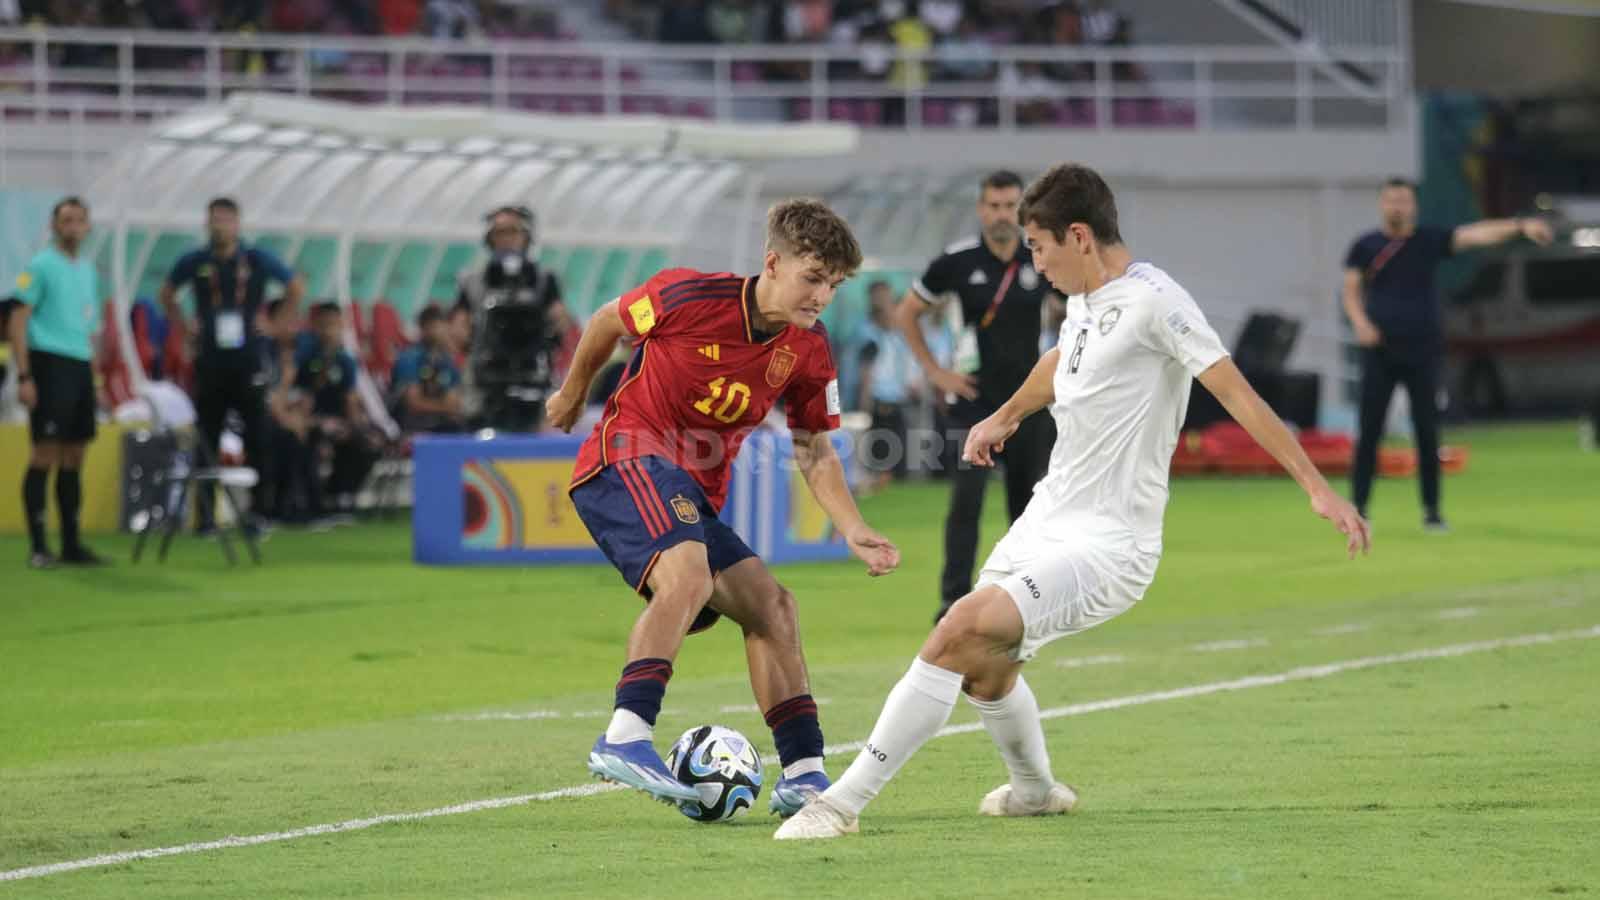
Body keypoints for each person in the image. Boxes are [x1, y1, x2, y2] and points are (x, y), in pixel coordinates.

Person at [775, 163, 1371, 841]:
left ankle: (840, 804)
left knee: (957, 631)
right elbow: (1062, 360)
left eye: (1038, 245)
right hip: (1046, 521)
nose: (1034, 261)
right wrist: (1003, 417)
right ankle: (1034, 792)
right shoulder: (1087, 300)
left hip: (1111, 545)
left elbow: (1237, 393)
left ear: (1079, 236)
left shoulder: (1158, 302)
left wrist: (1317, 487)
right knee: (987, 672)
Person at [545, 198, 900, 816]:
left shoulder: (809, 351)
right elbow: (607, 321)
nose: (822, 297)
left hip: (690, 493)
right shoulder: (688, 296)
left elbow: (814, 447)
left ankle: (805, 774)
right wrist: (574, 394)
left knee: (773, 605)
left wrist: (853, 527)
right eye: (813, 278)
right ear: (772, 263)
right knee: (687, 573)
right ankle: (626, 734)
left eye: (834, 285)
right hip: (623, 456)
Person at [893, 170, 1063, 623]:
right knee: (966, 501)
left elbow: (1074, 306)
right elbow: (906, 312)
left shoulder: (1041, 258)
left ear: (1023, 210)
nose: (1002, 214)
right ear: (980, 209)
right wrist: (935, 372)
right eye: (994, 206)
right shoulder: (957, 261)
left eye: (1010, 206)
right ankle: (952, 602)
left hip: (1029, 404)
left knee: (1027, 508)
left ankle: (1028, 599)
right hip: (973, 403)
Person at [1342, 178, 1553, 531]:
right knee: (1369, 432)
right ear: (1382, 204)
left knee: (1427, 431)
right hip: (1380, 351)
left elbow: (1476, 235)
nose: (1398, 206)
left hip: (1423, 349)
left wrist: (1520, 226)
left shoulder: (1429, 241)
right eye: (1392, 200)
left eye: (1404, 201)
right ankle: (1359, 509)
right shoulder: (1365, 246)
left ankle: (1432, 512)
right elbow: (1350, 291)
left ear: (1414, 206)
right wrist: (1360, 323)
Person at [161, 196, 304, 533]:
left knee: (258, 435)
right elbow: (166, 294)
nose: (220, 225)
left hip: (248, 361)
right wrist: (184, 326)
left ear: (238, 224)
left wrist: (275, 324)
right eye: (214, 219)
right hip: (210, 360)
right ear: (207, 223)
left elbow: (296, 286)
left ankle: (259, 512)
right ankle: (205, 517)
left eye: (226, 219)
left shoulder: (255, 259)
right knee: (207, 435)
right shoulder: (196, 261)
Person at [9, 196, 108, 568]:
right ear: (54, 226)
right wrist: (24, 375)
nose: (73, 227)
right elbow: (18, 320)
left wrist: (94, 376)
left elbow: (89, 325)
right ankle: (38, 547)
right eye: (66, 220)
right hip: (48, 365)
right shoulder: (38, 266)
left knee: (76, 454)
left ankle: (71, 544)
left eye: (79, 220)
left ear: (87, 227)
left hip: (80, 367)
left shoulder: (87, 270)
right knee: (45, 453)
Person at [456, 204, 567, 431]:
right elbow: (459, 325)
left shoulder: (543, 279)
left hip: (532, 373)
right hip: (486, 379)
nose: (507, 239)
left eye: (513, 232)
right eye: (500, 233)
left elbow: (560, 321)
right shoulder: (473, 280)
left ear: (526, 237)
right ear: (489, 238)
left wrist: (554, 326)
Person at [295, 302, 377, 514]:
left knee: (365, 444)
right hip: (312, 419)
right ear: (316, 326)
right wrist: (313, 422)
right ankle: (315, 502)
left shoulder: (346, 360)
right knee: (307, 442)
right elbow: (303, 398)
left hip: (339, 421)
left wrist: (355, 426)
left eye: (334, 325)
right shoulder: (306, 356)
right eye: (325, 325)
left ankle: (341, 494)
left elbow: (350, 399)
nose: (330, 331)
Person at [856, 279, 921, 491]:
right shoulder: (868, 333)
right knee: (881, 443)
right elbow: (866, 371)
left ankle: (889, 479)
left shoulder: (900, 336)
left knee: (897, 443)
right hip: (879, 397)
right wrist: (864, 400)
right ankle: (878, 480)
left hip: (899, 396)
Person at [390, 305, 465, 433]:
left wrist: (448, 407)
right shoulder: (410, 358)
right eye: (437, 327)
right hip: (410, 426)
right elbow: (414, 403)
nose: (443, 332)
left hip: (440, 423)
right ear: (424, 329)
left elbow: (453, 399)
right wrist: (445, 407)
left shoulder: (446, 361)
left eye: (444, 326)